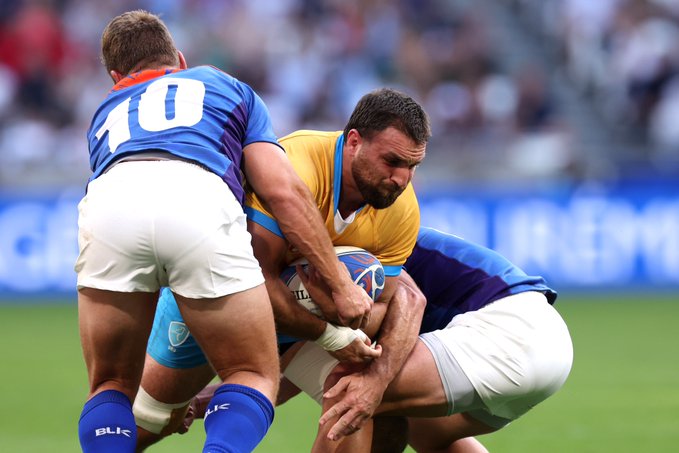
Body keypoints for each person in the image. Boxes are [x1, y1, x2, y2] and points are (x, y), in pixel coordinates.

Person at [75, 10, 375, 453]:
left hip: (110, 199)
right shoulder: (226, 87)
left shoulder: (105, 113)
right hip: (197, 194)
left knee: (111, 385)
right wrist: (340, 284)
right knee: (251, 373)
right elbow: (284, 191)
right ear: (180, 58)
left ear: (117, 77)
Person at [133, 87, 432, 449]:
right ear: (354, 141)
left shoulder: (401, 209)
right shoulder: (297, 164)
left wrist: (333, 315)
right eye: (392, 162)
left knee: (355, 403)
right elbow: (251, 279)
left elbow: (378, 307)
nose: (402, 179)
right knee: (153, 421)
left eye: (412, 166)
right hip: (218, 296)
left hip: (300, 321)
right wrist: (331, 329)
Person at [283, 227, 573, 452]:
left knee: (350, 394)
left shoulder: (348, 246)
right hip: (545, 339)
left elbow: (410, 298)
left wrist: (375, 381)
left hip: (511, 328)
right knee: (423, 434)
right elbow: (275, 378)